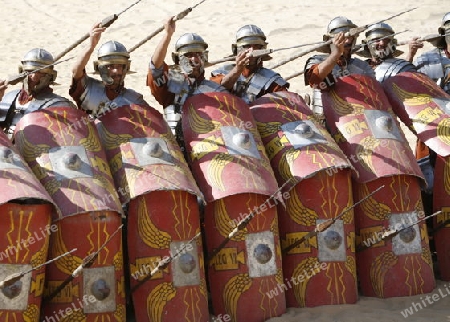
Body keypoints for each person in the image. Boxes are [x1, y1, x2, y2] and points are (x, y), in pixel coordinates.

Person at [146, 16, 227, 148]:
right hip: (176, 149)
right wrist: (167, 36)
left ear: (204, 57)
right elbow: (155, 68)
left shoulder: (216, 90)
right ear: (178, 59)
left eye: (198, 54)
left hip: (210, 148)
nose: (194, 58)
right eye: (188, 54)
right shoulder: (171, 84)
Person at [70, 22, 149, 117]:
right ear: (101, 68)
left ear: (125, 68)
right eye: (111, 66)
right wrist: (91, 46)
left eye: (119, 66)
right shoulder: (89, 90)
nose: (115, 71)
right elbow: (76, 71)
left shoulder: (135, 100)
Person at [303, 16, 375, 121]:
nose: (345, 40)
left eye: (349, 36)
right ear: (330, 40)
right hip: (325, 120)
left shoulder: (362, 66)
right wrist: (335, 54)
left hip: (360, 120)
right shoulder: (318, 61)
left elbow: (374, 93)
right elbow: (314, 79)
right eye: (340, 37)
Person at [0, 48, 76, 138]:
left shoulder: (59, 105)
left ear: (50, 76)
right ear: (21, 73)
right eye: (29, 71)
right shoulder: (9, 97)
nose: (34, 77)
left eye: (40, 73)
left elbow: (67, 138)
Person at [210, 24, 289, 104]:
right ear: (237, 49)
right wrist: (238, 69)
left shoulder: (272, 81)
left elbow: (285, 106)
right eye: (247, 46)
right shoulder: (222, 73)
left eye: (256, 46)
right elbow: (215, 91)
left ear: (262, 49)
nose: (251, 50)